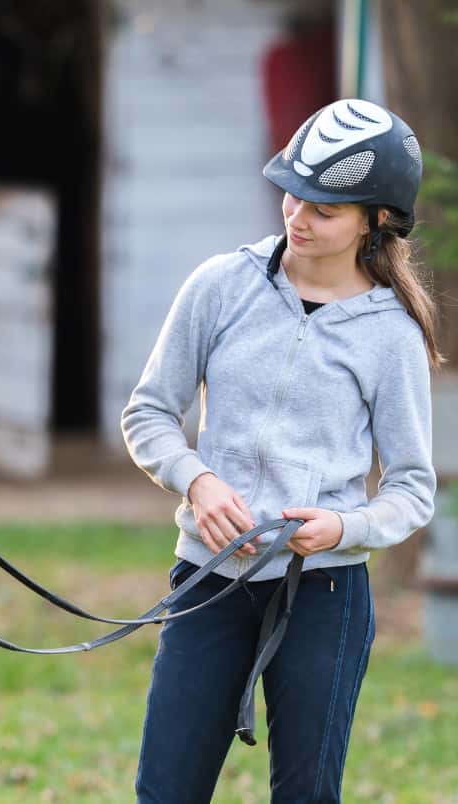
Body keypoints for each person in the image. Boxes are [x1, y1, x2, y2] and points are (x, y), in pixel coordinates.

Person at [121, 98, 441, 803]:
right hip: (208, 584)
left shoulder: (390, 335)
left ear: (376, 219)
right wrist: (197, 481)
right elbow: (148, 413)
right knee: (165, 792)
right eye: (293, 193)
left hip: (324, 594)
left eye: (325, 208)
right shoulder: (219, 286)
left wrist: (345, 528)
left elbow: (413, 486)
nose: (298, 215)